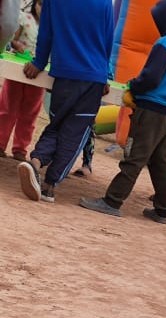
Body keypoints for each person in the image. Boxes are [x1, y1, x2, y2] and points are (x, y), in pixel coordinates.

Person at [78, 0, 166, 224]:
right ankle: (163, 209)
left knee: (134, 157)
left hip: (150, 109)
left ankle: (112, 201)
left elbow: (151, 77)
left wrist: (134, 86)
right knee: (161, 162)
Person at [15, 0, 115, 203]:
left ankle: (35, 162)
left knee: (55, 126)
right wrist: (107, 74)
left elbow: (46, 33)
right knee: (74, 134)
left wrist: (39, 62)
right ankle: (49, 186)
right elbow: (107, 40)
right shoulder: (105, 2)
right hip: (92, 78)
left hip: (63, 74)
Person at [0, 0, 43, 162]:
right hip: (18, 70)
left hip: (38, 75)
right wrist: (18, 46)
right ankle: (0, 142)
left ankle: (20, 149)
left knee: (30, 113)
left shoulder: (52, 26)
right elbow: (12, 38)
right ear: (35, 4)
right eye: (40, 4)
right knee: (7, 106)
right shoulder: (24, 18)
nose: (42, 9)